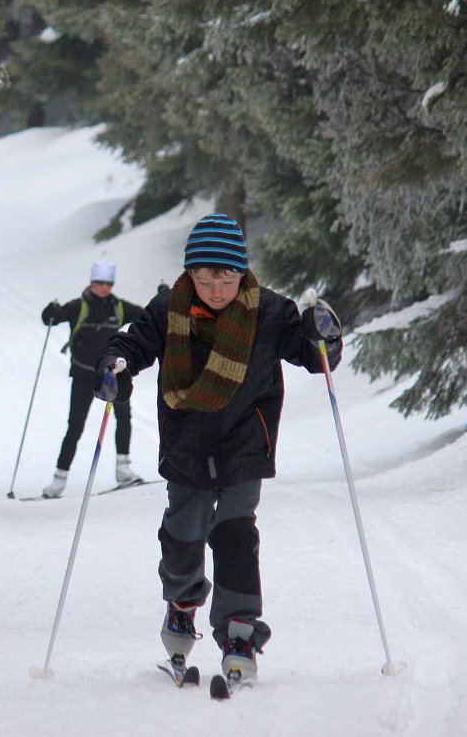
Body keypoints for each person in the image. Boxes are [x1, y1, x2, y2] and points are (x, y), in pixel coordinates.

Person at [93, 213, 342, 684]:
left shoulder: (271, 311)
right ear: (190, 274)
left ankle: (239, 631)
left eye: (225, 280)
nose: (215, 291)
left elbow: (313, 356)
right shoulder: (169, 309)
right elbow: (131, 344)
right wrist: (114, 365)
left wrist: (323, 334)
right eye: (204, 280)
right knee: (183, 531)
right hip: (186, 440)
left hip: (245, 441)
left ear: (241, 273)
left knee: (234, 533)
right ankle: (181, 605)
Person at [39, 261, 145, 498]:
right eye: (99, 282)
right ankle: (58, 480)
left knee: (124, 418)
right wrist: (50, 312)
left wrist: (163, 299)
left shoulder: (119, 307)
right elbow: (52, 318)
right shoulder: (79, 306)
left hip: (112, 373)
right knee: (75, 425)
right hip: (83, 373)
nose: (104, 287)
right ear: (92, 282)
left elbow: (147, 315)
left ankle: (124, 471)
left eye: (108, 283)